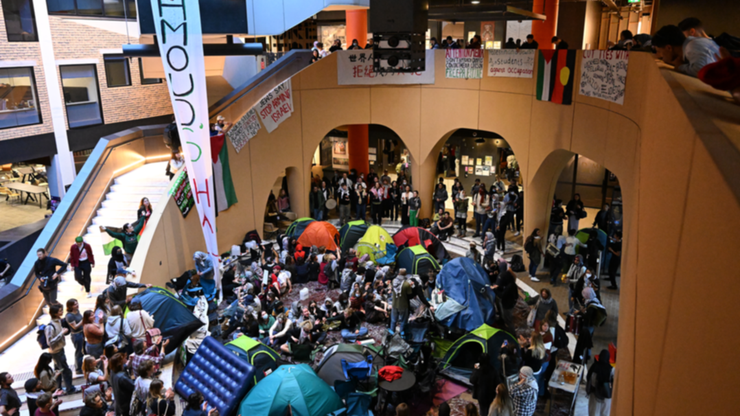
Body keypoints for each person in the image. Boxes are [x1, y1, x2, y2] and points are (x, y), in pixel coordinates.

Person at [652, 24, 719, 77]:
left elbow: (701, 70)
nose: (661, 56)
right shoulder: (691, 43)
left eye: (660, 51)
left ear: (669, 48)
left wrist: (680, 67)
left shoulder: (692, 46)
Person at [44, 304, 75, 395]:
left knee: (58, 370)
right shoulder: (50, 326)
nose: (62, 312)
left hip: (60, 349)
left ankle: (58, 388)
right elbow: (49, 342)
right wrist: (61, 333)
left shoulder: (59, 322)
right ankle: (69, 388)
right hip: (56, 352)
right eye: (60, 311)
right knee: (65, 370)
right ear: (55, 313)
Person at [586, 350, 613, 416]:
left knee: (593, 413)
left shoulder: (595, 366)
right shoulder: (611, 370)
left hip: (595, 395)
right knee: (605, 414)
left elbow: (589, 377)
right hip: (606, 397)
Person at [65, 299, 85, 374]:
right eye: (75, 304)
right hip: (76, 335)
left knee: (82, 351)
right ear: (70, 306)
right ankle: (78, 369)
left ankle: (80, 366)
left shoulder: (77, 311)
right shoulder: (69, 315)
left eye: (77, 303)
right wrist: (83, 320)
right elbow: (75, 327)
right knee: (79, 351)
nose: (77, 305)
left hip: (82, 333)